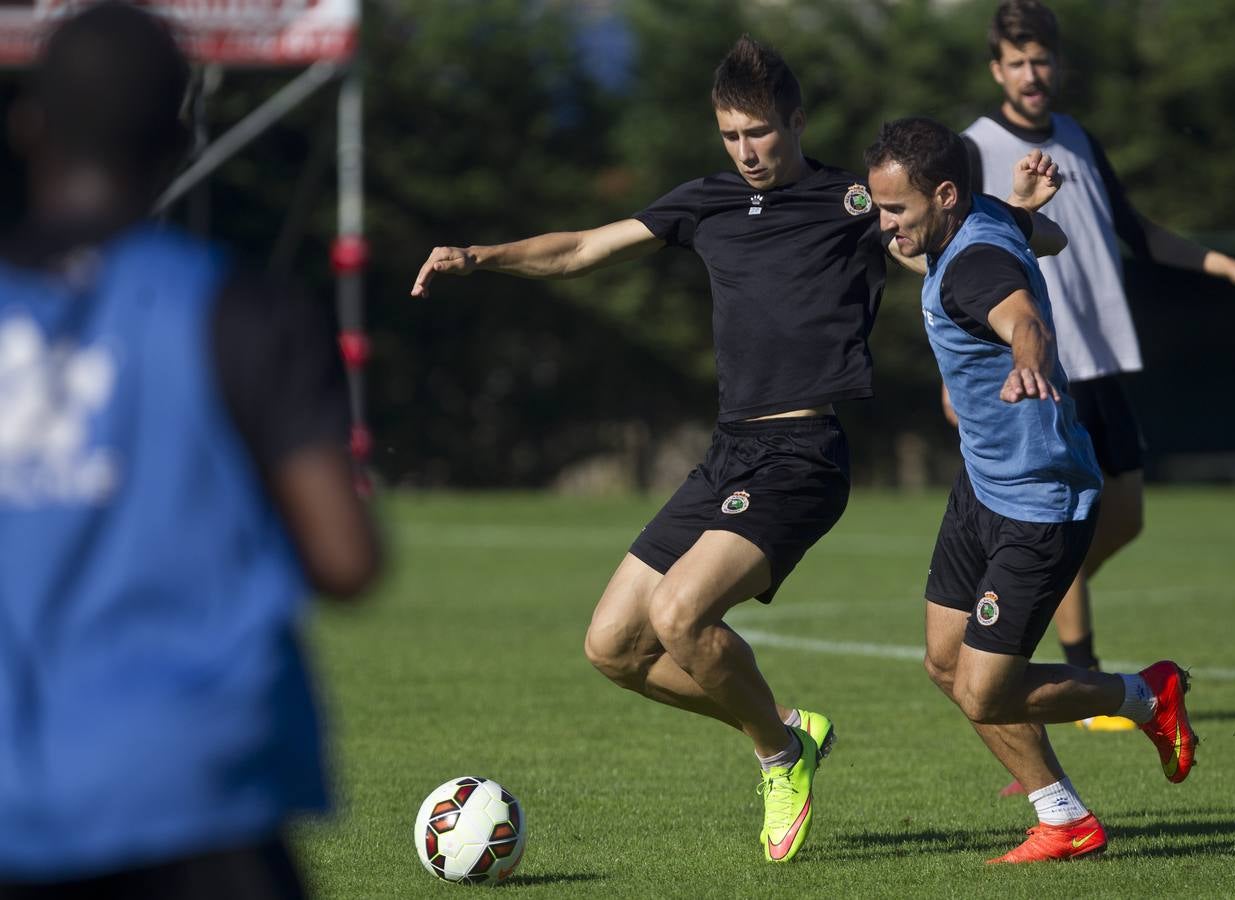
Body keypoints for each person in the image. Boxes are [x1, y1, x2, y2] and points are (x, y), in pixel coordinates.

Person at [411, 34, 927, 863]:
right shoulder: (706, 202)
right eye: (729, 135)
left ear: (795, 120)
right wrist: (483, 257)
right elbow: (582, 248)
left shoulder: (852, 202)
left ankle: (776, 755)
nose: (746, 151)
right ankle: (786, 731)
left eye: (758, 131)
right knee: (612, 649)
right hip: (728, 454)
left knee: (680, 616)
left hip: (803, 453)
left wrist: (1017, 238)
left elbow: (933, 246)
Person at [0, 5, 381, 897]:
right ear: (180, 136)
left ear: (27, 127)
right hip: (202, 791)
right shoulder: (241, 312)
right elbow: (346, 559)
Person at [865, 116, 1197, 863]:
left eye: (896, 212)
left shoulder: (973, 262)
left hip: (1039, 504)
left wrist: (1028, 353)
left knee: (984, 690)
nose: (885, 226)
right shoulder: (980, 214)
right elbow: (1045, 241)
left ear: (943, 194)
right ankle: (1063, 818)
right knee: (946, 665)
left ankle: (1145, 695)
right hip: (982, 484)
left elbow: (1017, 313)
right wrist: (1023, 210)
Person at [954, 0, 1235, 732]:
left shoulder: (1076, 137)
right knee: (1072, 520)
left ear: (1057, 64)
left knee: (1123, 518)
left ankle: (1041, 619)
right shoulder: (974, 148)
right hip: (1041, 368)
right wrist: (959, 370)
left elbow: (1135, 232)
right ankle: (1082, 678)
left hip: (1101, 360)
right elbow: (944, 258)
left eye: (1041, 59)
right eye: (1016, 62)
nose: (1031, 74)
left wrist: (1227, 266)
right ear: (995, 70)